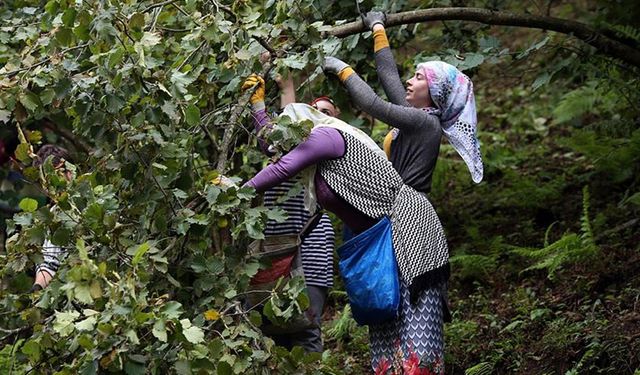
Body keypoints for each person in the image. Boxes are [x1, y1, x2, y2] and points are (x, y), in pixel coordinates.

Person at [244, 103, 450, 373]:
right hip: (378, 238)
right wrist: (257, 106)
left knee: (415, 328)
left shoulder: (325, 136)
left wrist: (239, 192)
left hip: (408, 229)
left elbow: (282, 167)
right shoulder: (314, 157)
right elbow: (273, 148)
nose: (283, 147)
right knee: (385, 322)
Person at [242, 74, 336, 352]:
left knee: (305, 330)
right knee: (269, 331)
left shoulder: (326, 142)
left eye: (325, 113)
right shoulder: (286, 150)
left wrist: (286, 89)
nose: (316, 116)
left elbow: (281, 140)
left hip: (310, 247)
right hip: (274, 250)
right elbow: (279, 138)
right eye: (312, 110)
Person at [31, 145, 73, 291]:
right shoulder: (53, 215)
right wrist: (36, 290)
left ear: (69, 172)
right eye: (44, 182)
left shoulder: (97, 197)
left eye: (53, 177)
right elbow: (49, 264)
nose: (48, 186)